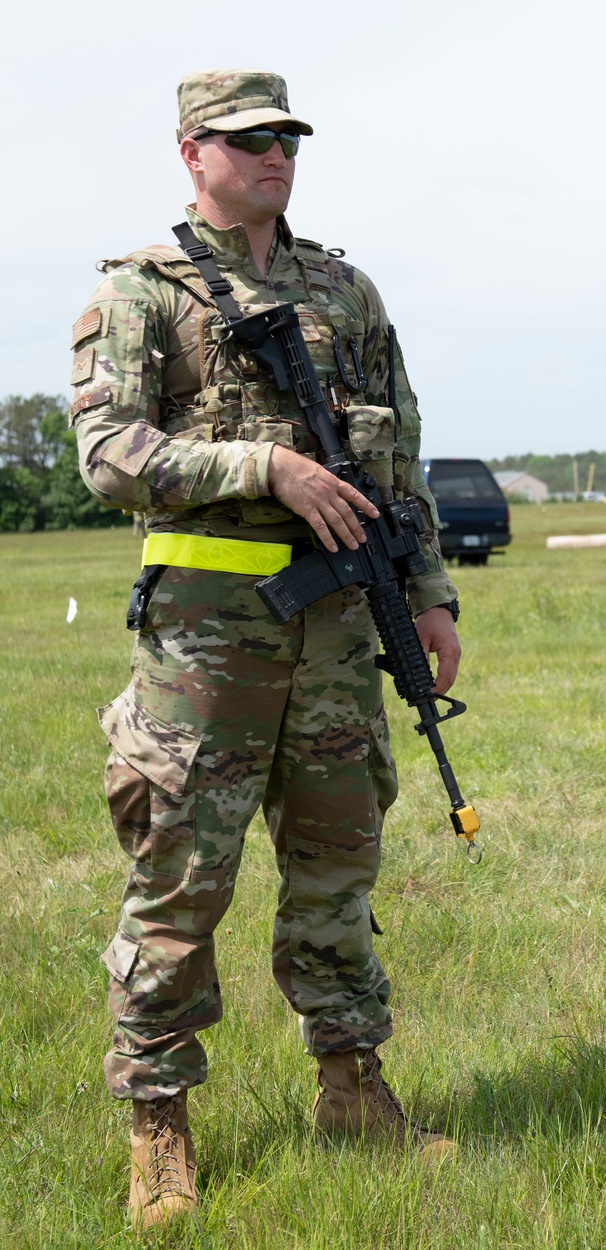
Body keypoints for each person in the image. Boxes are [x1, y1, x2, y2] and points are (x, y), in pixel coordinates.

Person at [70, 68, 462, 1229]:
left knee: (338, 873)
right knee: (178, 884)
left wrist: (428, 591)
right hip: (205, 646)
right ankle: (158, 1128)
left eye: (285, 137)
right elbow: (104, 453)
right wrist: (263, 466)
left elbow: (402, 462)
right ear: (192, 152)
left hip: (342, 637)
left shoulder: (346, 290)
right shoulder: (144, 291)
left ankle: (352, 1089)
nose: (274, 156)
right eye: (248, 141)